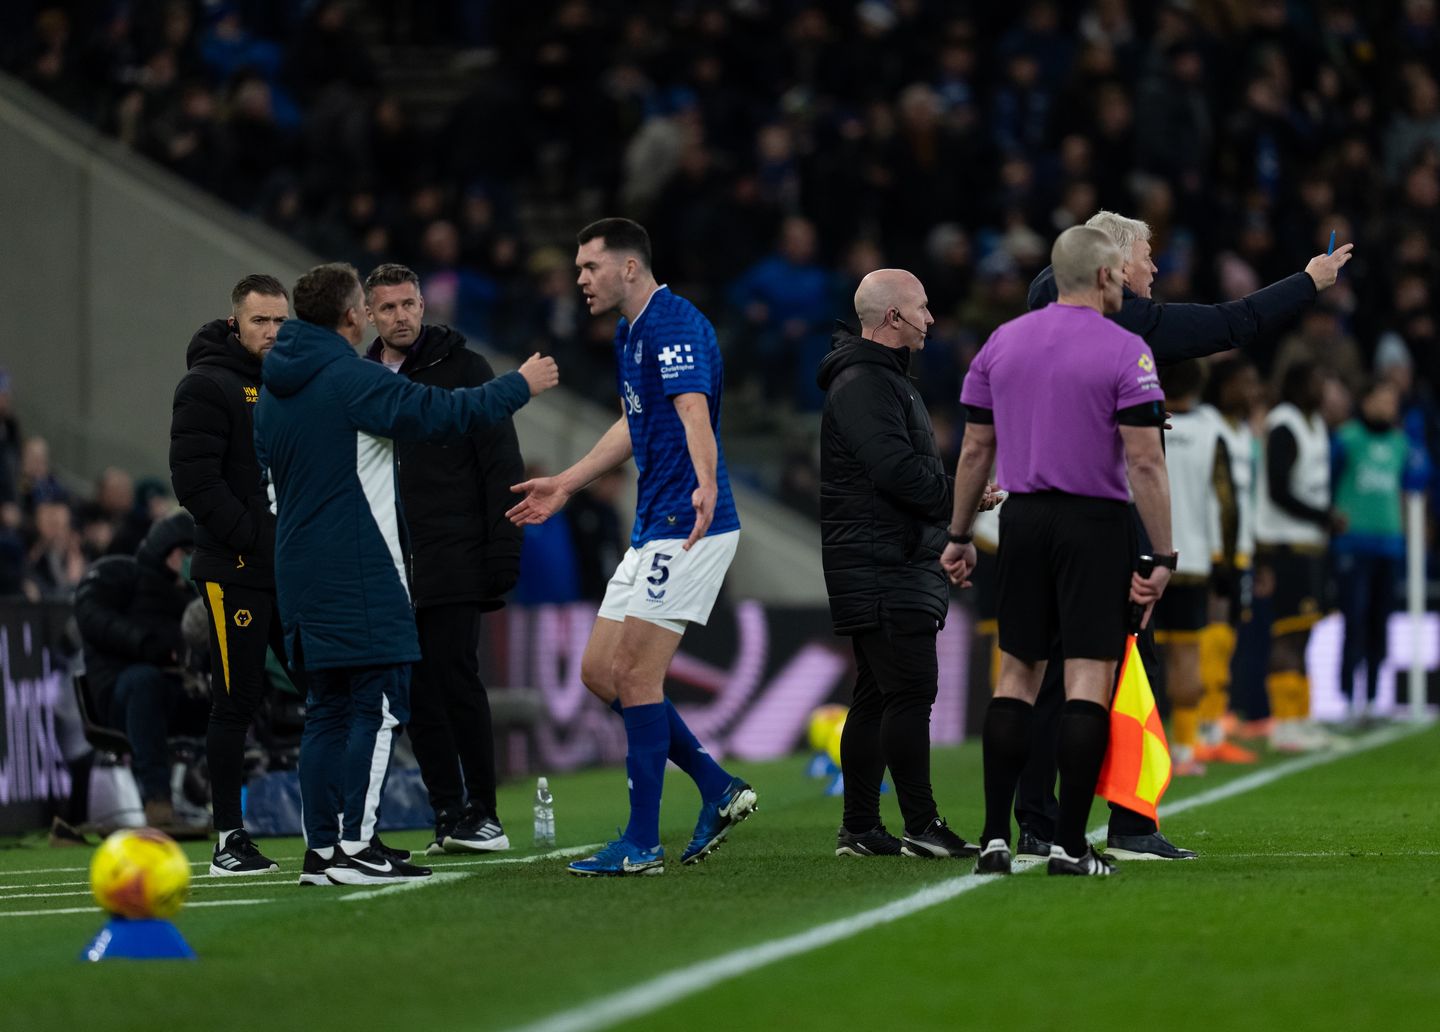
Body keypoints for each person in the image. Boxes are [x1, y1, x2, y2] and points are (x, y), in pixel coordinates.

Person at [1015, 210, 1354, 860]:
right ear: (1114, 264)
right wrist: (1309, 281)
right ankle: (1128, 821)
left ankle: (1037, 821)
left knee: (1049, 673)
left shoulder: (1037, 312)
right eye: (1147, 257)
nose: (1154, 269)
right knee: (1124, 669)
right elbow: (1232, 322)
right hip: (1105, 512)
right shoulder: (1124, 320)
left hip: (1037, 510)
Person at [254, 262, 557, 887]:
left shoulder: (273, 390)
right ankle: (356, 846)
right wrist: (519, 385)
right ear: (353, 315)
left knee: (325, 710)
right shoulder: (351, 378)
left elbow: (271, 485)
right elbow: (441, 412)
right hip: (361, 569)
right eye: (373, 307)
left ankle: (322, 851)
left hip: (298, 570)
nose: (387, 317)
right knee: (381, 704)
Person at [507, 218, 755, 877]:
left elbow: (693, 410)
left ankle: (641, 843)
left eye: (589, 267)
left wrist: (706, 483)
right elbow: (633, 421)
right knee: (599, 672)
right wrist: (566, 482)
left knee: (637, 676)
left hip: (688, 524)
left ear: (629, 268)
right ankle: (716, 785)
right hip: (653, 526)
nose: (579, 280)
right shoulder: (630, 331)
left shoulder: (673, 324)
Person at [943, 225, 1174, 877]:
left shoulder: (1001, 342)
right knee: (1087, 681)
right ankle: (1071, 845)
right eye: (1120, 275)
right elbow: (1145, 463)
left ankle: (995, 838)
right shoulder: (1126, 349)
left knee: (1016, 677)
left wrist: (959, 536)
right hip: (1093, 523)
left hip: (1022, 521)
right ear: (1104, 276)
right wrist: (1163, 555)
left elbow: (974, 450)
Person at [816, 268, 980, 860]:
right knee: (910, 691)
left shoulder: (881, 378)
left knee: (876, 696)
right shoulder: (866, 382)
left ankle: (860, 827)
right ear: (893, 317)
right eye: (923, 307)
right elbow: (896, 472)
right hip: (883, 562)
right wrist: (960, 497)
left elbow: (900, 473)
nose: (931, 319)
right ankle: (921, 825)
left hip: (886, 557)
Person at [362, 262, 524, 854]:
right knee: (415, 692)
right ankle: (448, 812)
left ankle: (484, 811)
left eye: (408, 304)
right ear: (369, 315)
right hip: (391, 562)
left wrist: (503, 549)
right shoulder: (361, 379)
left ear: (423, 305)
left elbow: (501, 466)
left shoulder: (466, 368)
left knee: (456, 677)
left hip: (454, 553)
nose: (400, 316)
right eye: (388, 308)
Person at [170, 273, 293, 876]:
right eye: (259, 321)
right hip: (236, 569)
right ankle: (228, 838)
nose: (271, 332)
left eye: (279, 321)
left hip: (288, 567)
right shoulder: (206, 383)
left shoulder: (289, 383)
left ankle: (344, 832)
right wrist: (255, 538)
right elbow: (195, 482)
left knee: (323, 688)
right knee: (236, 699)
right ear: (234, 324)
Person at [73, 513, 207, 836]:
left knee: (233, 692)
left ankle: (222, 799)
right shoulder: (119, 573)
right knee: (144, 682)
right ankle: (158, 801)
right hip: (119, 694)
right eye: (186, 552)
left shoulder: (194, 599)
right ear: (167, 550)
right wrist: (146, 644)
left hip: (176, 692)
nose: (190, 561)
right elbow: (89, 614)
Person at [1152, 359, 1239, 775]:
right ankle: (1185, 749)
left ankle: (1140, 749)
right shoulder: (1211, 430)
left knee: (1137, 657)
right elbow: (1226, 502)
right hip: (1193, 560)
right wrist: (1226, 560)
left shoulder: (1140, 419)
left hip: (1145, 554)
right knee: (1187, 655)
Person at [1255, 361, 1341, 751]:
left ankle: (1301, 717)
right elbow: (1278, 489)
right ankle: (1285, 723)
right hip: (1285, 545)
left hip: (1310, 544)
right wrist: (1324, 516)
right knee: (1288, 633)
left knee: (1303, 632)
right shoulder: (1284, 423)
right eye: (1317, 381)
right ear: (1298, 386)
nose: (1324, 390)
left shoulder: (1316, 423)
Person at [1331, 379, 1412, 724]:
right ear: (1365, 401)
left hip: (1389, 544)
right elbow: (1329, 481)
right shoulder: (1346, 438)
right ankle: (1348, 699)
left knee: (1381, 623)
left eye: (1393, 401)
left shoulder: (1401, 444)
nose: (1388, 406)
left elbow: (1407, 489)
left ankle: (1376, 698)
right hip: (1353, 543)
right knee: (1354, 620)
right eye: (1382, 399)